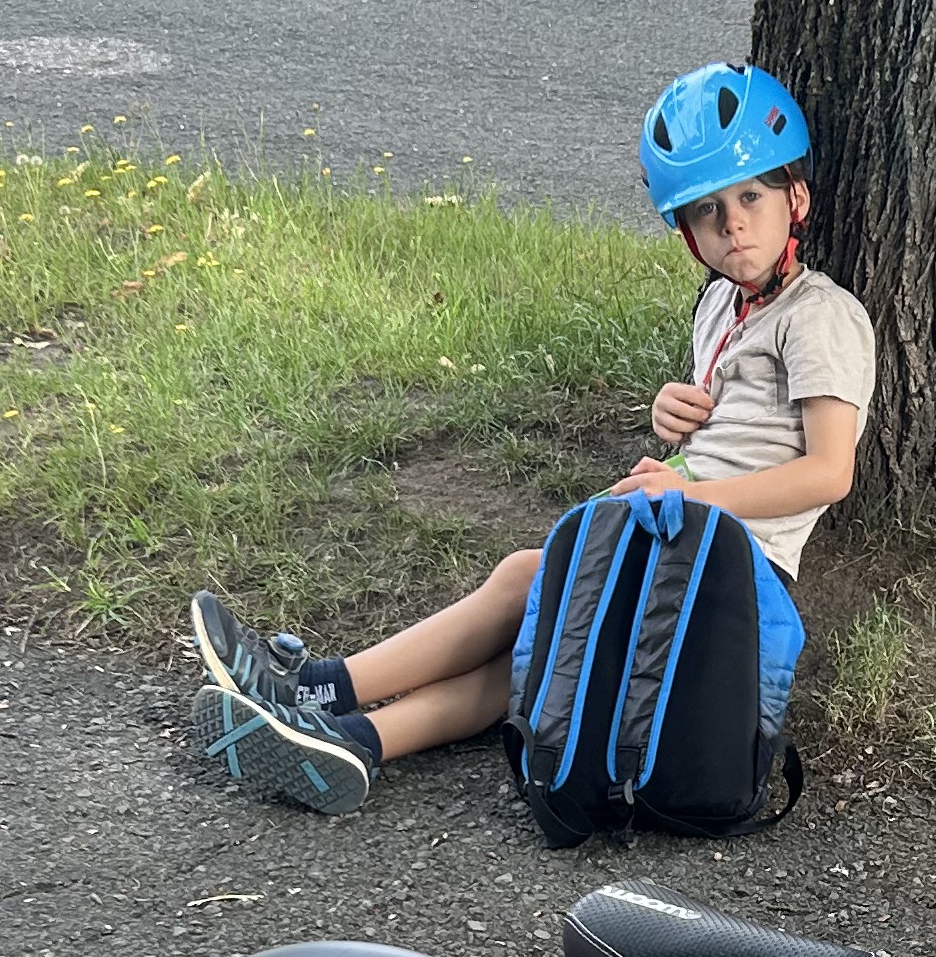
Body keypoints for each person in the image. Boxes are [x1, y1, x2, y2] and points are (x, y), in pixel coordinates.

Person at [184, 63, 873, 814]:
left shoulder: (821, 316)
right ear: (686, 230)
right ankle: (349, 741)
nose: (732, 224)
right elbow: (733, 434)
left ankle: (314, 686)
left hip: (738, 572)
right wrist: (673, 429)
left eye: (750, 198)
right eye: (707, 210)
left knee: (526, 579)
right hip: (681, 536)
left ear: (794, 199)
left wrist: (690, 489)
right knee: (536, 656)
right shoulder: (719, 306)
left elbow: (828, 472)